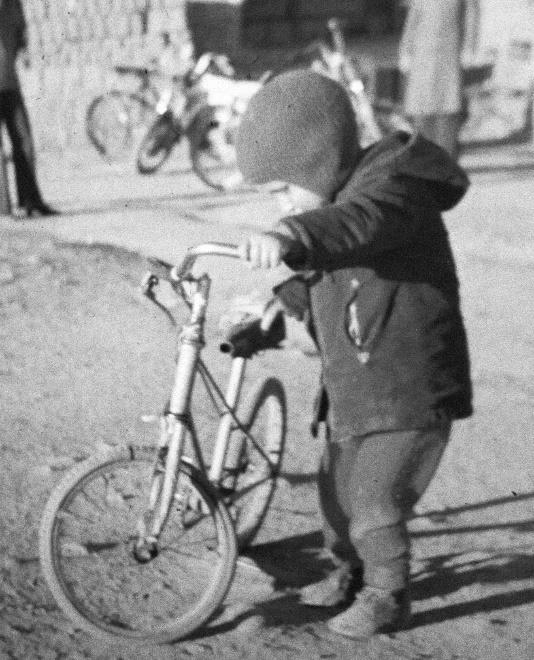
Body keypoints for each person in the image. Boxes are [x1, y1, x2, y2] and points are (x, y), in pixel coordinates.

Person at [234, 69, 472, 639]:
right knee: (336, 496)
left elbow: (353, 229)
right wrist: (280, 305)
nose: (281, 203)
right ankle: (349, 573)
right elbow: (327, 268)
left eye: (284, 187)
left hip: (409, 387)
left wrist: (292, 233)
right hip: (358, 387)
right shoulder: (338, 204)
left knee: (375, 500)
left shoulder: (394, 190)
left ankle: (389, 595)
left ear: (319, 161)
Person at [399, 0, 480, 161]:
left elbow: (471, 13)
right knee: (422, 111)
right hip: (422, 53)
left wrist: (469, 47)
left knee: (448, 111)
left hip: (450, 52)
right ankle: (424, 160)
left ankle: (446, 162)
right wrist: (405, 50)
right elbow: (413, 17)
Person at [0, 0, 57, 217]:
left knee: (24, 143)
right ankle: (3, 209)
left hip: (9, 84)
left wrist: (23, 51)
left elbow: (21, 33)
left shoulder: (14, 5)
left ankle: (30, 202)